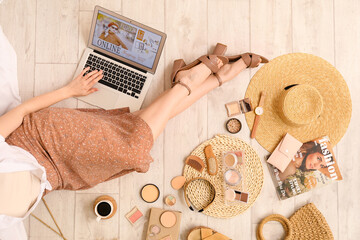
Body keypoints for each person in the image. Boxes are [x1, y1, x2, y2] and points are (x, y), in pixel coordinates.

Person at [0, 26, 266, 239]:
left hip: (44, 138)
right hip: (62, 177)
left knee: (133, 148)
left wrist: (70, 91)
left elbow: (22, 112)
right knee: (141, 125)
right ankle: (205, 80)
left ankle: (189, 82)